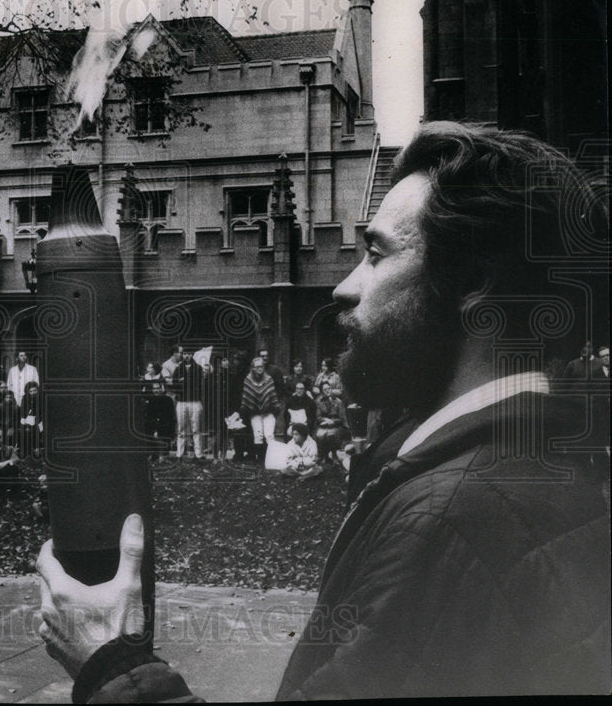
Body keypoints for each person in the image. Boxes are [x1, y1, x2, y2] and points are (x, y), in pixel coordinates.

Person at [35, 123, 611, 698]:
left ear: (473, 283)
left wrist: (111, 663)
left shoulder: (453, 520)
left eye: (375, 253)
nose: (343, 286)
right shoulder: (538, 462)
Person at [239, 357, 280, 463]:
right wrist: (245, 409)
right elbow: (246, 397)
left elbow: (272, 395)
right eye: (257, 366)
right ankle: (261, 461)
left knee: (269, 435)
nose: (259, 368)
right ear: (253, 368)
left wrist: (275, 408)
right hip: (255, 413)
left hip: (268, 412)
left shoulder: (269, 379)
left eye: (261, 366)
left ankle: (272, 460)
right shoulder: (248, 379)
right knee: (258, 435)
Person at [170, 348, 204, 459]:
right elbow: (174, 385)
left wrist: (186, 382)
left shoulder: (198, 368)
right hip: (181, 402)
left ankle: (198, 455)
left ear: (192, 355)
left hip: (195, 402)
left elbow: (202, 385)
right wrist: (180, 384)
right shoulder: (178, 369)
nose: (187, 356)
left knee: (196, 429)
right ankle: (179, 454)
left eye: (189, 354)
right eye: (185, 354)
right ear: (182, 355)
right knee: (181, 429)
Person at [314, 381, 348, 465]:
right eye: (325, 389)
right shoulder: (318, 401)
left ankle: (334, 454)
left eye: (329, 388)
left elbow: (342, 417)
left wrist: (333, 421)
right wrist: (325, 420)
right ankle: (324, 455)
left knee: (331, 435)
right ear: (322, 391)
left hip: (337, 425)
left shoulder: (338, 401)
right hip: (323, 424)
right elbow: (318, 416)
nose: (327, 390)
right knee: (319, 434)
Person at [142, 379, 175, 457]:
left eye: (158, 388)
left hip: (164, 424)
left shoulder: (167, 400)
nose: (156, 390)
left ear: (162, 389)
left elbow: (170, 415)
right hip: (153, 424)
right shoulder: (150, 400)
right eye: (155, 388)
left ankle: (162, 455)